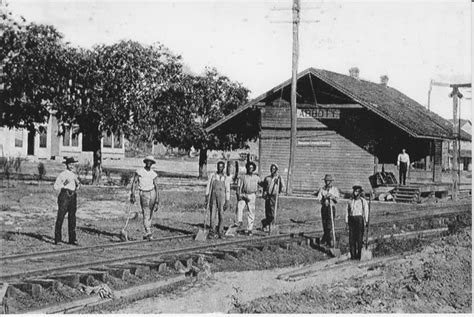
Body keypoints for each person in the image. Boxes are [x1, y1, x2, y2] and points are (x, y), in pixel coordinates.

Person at [130, 155, 160, 240]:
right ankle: (148, 231)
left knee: (149, 212)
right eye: (148, 161)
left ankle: (148, 231)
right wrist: (132, 193)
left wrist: (157, 199)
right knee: (146, 211)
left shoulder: (153, 174)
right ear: (145, 162)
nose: (149, 163)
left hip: (152, 192)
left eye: (151, 162)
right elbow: (134, 183)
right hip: (144, 193)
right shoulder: (139, 171)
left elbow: (156, 186)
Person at [53, 157, 80, 245]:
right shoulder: (62, 175)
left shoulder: (74, 175)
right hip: (64, 196)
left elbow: (78, 185)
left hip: (73, 196)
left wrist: (78, 185)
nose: (72, 166)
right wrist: (65, 183)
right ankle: (58, 239)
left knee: (72, 218)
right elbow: (55, 186)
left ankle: (72, 239)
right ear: (67, 165)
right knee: (60, 217)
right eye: (70, 164)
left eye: (73, 164)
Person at [205, 161, 231, 238]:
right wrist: (206, 196)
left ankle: (220, 231)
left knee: (221, 214)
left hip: (222, 197)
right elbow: (208, 186)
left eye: (221, 167)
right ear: (217, 167)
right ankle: (212, 231)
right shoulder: (212, 176)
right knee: (213, 213)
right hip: (213, 196)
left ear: (223, 168)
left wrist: (227, 200)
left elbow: (228, 190)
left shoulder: (226, 177)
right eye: (218, 166)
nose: (220, 168)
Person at [236, 161, 261, 236]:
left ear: (253, 169)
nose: (250, 169)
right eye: (249, 168)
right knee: (239, 208)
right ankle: (239, 222)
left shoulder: (256, 178)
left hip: (252, 195)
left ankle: (250, 229)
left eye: (252, 168)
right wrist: (239, 195)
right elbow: (238, 187)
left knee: (251, 212)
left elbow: (262, 184)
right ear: (247, 168)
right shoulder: (243, 177)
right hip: (244, 194)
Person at [315, 174, 340, 247]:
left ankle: (325, 240)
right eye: (326, 181)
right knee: (325, 224)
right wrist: (324, 199)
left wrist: (332, 197)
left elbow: (337, 200)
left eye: (328, 181)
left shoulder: (334, 189)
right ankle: (327, 241)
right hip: (324, 208)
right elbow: (319, 199)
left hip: (331, 207)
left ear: (331, 182)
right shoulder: (322, 189)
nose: (327, 182)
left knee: (329, 225)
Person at [260, 163, 285, 232]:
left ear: (276, 170)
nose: (272, 170)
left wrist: (278, 184)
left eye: (274, 169)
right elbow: (264, 187)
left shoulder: (279, 178)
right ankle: (267, 225)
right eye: (271, 169)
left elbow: (283, 188)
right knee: (268, 211)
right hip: (268, 196)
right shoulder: (267, 178)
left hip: (274, 197)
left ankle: (271, 224)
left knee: (273, 212)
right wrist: (264, 193)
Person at [346, 185, 369, 260]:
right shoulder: (350, 201)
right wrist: (346, 221)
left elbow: (366, 212)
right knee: (351, 239)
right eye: (354, 191)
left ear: (360, 193)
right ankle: (353, 256)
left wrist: (366, 222)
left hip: (359, 220)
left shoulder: (363, 201)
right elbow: (347, 211)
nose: (355, 193)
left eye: (357, 191)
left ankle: (359, 256)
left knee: (359, 239)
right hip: (351, 220)